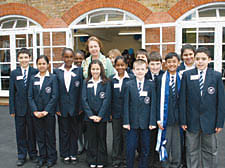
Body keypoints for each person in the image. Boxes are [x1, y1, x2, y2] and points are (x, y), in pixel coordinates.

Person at [179, 47, 225, 168]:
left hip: (210, 121)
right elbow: (183, 100)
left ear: (209, 60)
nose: (200, 61)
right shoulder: (187, 75)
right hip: (191, 120)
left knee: (209, 151)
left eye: (203, 59)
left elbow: (221, 102)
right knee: (191, 150)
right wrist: (183, 120)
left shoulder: (216, 76)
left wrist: (219, 123)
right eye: (197, 59)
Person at [123, 59, 157, 168]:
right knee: (130, 148)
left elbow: (153, 105)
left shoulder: (151, 85)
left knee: (145, 148)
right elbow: (126, 104)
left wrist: (152, 122)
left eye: (142, 69)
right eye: (137, 69)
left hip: (146, 123)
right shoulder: (128, 84)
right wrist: (126, 121)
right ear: (133, 71)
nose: (140, 71)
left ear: (146, 70)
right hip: (132, 123)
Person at [9, 48, 38, 166]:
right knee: (20, 133)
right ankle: (21, 155)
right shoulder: (14, 73)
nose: (24, 60)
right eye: (21, 58)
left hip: (32, 109)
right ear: (18, 59)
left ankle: (33, 154)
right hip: (19, 109)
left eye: (26, 57)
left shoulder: (35, 72)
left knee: (32, 132)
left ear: (30, 58)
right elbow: (12, 92)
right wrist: (12, 109)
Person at [28, 55, 58, 168]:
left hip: (48, 113)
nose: (41, 66)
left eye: (43, 63)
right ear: (37, 65)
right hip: (36, 114)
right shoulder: (33, 78)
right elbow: (30, 97)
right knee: (40, 136)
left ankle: (51, 158)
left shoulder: (53, 78)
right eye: (39, 64)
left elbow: (54, 96)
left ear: (48, 65)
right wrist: (35, 111)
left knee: (50, 136)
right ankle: (42, 157)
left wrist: (46, 110)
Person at [54, 48, 83, 165]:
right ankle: (65, 154)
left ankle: (73, 153)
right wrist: (57, 108)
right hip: (62, 108)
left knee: (74, 131)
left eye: (71, 57)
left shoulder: (79, 71)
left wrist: (80, 107)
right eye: (66, 57)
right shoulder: (57, 72)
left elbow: (81, 90)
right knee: (64, 131)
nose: (69, 59)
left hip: (75, 107)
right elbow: (55, 92)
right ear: (62, 58)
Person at [82, 59, 111, 168]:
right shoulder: (85, 82)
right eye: (93, 69)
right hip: (89, 117)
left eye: (97, 69)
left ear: (101, 70)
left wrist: (100, 115)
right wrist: (90, 115)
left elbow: (107, 100)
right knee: (91, 139)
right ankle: (92, 159)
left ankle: (102, 160)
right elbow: (83, 99)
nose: (95, 71)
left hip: (101, 117)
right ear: (90, 70)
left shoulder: (106, 82)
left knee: (101, 138)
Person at [156, 52, 182, 168]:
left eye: (174, 62)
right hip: (165, 116)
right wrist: (157, 118)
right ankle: (165, 164)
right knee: (165, 142)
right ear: (165, 64)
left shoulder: (183, 77)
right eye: (169, 62)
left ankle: (176, 164)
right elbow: (156, 101)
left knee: (177, 145)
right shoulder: (160, 79)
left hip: (179, 118)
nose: (172, 64)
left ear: (178, 63)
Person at [110, 56, 133, 168]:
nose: (120, 67)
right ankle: (116, 159)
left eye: (122, 65)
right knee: (116, 137)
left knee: (126, 136)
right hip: (115, 113)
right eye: (118, 65)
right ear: (114, 66)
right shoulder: (111, 79)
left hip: (127, 114)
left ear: (126, 66)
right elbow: (109, 97)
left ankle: (125, 159)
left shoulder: (131, 78)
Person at [177, 44, 195, 168]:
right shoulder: (178, 69)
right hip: (181, 106)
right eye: (185, 55)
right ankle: (183, 160)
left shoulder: (199, 67)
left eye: (190, 54)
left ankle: (193, 161)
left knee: (193, 137)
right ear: (182, 56)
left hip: (195, 108)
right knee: (182, 137)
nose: (188, 57)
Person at [148, 51, 164, 168]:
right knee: (149, 139)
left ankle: (161, 159)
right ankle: (150, 160)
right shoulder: (144, 75)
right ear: (148, 64)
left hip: (162, 112)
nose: (155, 67)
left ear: (161, 64)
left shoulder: (165, 75)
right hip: (148, 113)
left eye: (157, 64)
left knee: (162, 137)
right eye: (152, 64)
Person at [74, 49, 87, 155]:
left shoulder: (87, 71)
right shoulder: (73, 72)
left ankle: (87, 145)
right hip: (76, 105)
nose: (78, 61)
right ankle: (80, 145)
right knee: (78, 127)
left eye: (80, 59)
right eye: (76, 59)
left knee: (86, 127)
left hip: (86, 104)